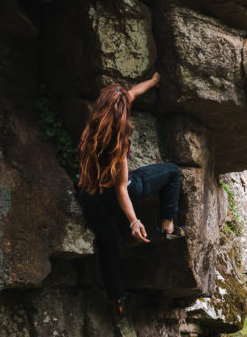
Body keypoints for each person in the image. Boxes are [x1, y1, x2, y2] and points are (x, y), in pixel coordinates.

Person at [76, 72, 185, 312]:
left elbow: (133, 92)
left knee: (109, 246)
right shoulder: (118, 144)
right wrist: (134, 220)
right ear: (122, 114)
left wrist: (154, 81)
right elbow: (121, 189)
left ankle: (117, 298)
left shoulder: (89, 132)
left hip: (91, 198)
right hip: (119, 193)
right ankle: (168, 226)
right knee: (173, 172)